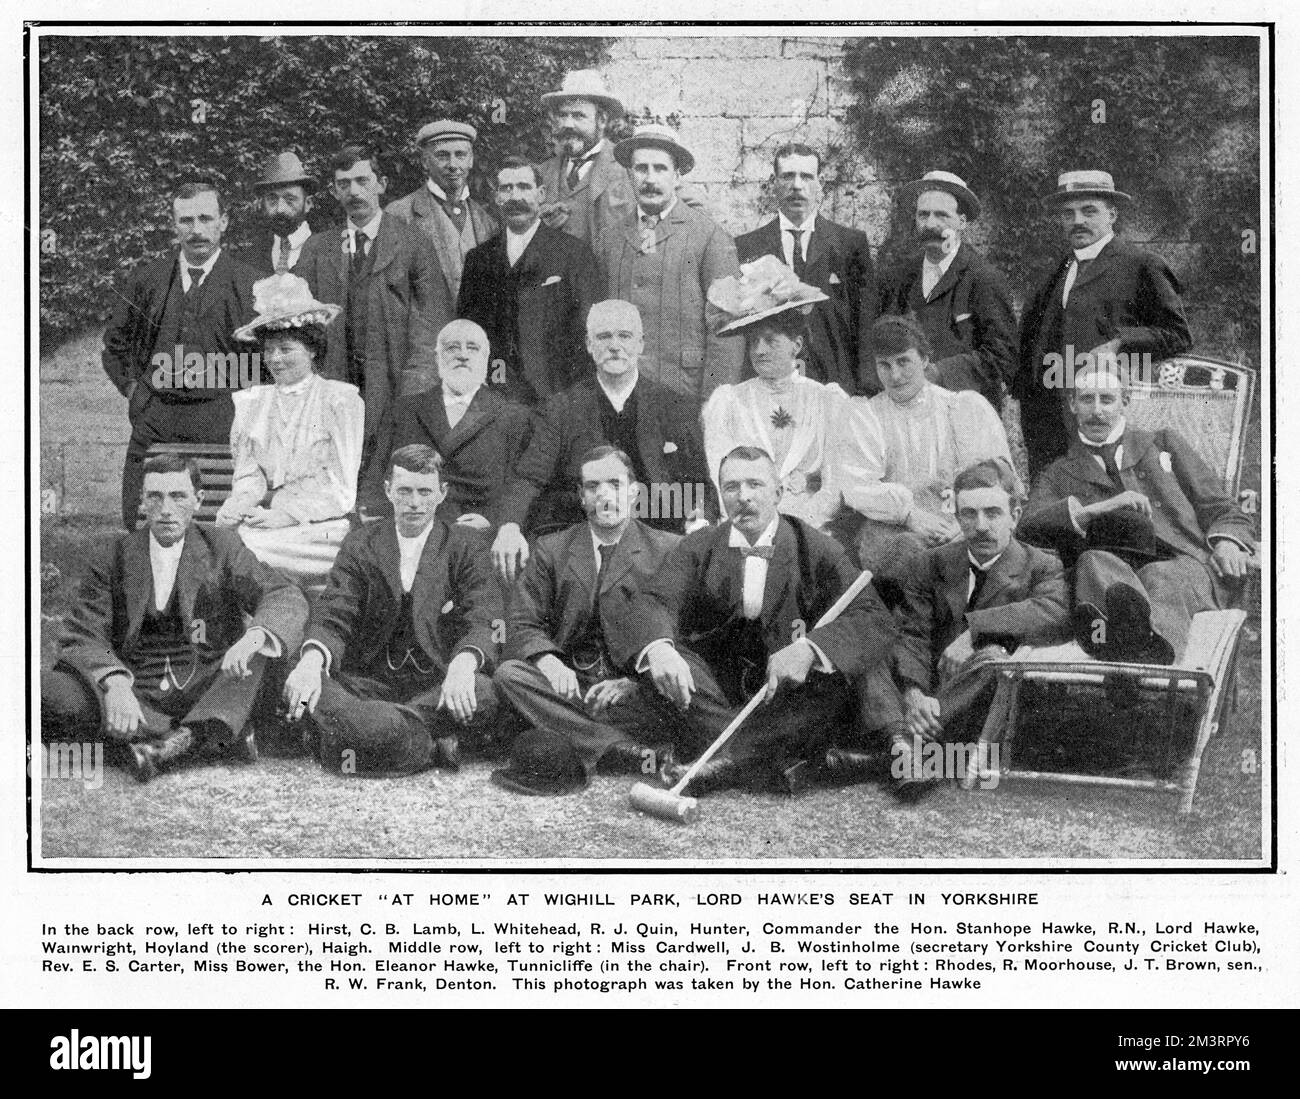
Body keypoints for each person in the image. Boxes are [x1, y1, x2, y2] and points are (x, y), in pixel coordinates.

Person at [626, 446, 896, 797]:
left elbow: (874, 617)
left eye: (755, 485)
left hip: (787, 691)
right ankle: (771, 755)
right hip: (718, 692)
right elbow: (656, 600)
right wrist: (661, 650)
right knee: (667, 656)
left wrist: (810, 649)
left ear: (779, 493)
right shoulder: (699, 545)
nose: (744, 497)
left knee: (842, 667)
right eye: (732, 487)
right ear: (720, 494)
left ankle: (731, 760)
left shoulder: (817, 547)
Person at [41, 453, 307, 782]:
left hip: (210, 684)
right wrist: (115, 682)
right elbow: (84, 632)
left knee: (261, 653)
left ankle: (172, 744)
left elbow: (282, 593)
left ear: (198, 500)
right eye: (155, 496)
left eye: (178, 496)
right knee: (46, 694)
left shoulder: (222, 547)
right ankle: (212, 740)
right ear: (142, 502)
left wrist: (253, 637)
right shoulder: (116, 555)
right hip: (139, 690)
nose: (166, 509)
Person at [834, 458, 1068, 794]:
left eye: (993, 513)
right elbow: (913, 633)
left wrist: (975, 630)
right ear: (957, 517)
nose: (981, 525)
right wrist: (914, 695)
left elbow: (1053, 612)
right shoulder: (930, 563)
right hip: (925, 690)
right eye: (969, 514)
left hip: (977, 701)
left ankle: (900, 750)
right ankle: (904, 746)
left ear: (1015, 516)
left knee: (994, 657)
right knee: (870, 643)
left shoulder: (1042, 566)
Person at [282, 445, 503, 776]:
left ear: (442, 493)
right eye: (404, 491)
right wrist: (312, 663)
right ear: (388, 491)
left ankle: (363, 735)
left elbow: (483, 616)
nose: (414, 502)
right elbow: (334, 611)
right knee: (303, 675)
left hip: (437, 684)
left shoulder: (465, 545)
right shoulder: (361, 543)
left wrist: (462, 665)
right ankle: (426, 742)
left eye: (425, 492)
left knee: (484, 690)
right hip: (368, 683)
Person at [1018, 360, 1254, 664]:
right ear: (1073, 404)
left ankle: (1143, 661)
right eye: (1087, 399)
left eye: (1107, 399)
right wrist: (1096, 509)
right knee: (1092, 563)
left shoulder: (1162, 444)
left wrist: (1228, 542)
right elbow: (1027, 527)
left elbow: (1221, 507)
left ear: (1124, 402)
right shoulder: (1061, 471)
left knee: (1160, 576)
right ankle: (1136, 659)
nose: (1097, 410)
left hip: (1181, 561)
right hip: (1114, 565)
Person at [491, 446, 686, 792]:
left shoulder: (668, 549)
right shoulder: (553, 549)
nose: (605, 495)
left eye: (615, 483)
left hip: (629, 692)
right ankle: (620, 749)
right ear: (582, 497)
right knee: (510, 676)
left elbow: (681, 633)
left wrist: (635, 683)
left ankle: (578, 734)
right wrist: (548, 661)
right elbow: (522, 621)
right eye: (594, 486)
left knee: (670, 693)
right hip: (568, 686)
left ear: (634, 492)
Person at [490, 299, 715, 582]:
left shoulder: (676, 407)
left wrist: (700, 520)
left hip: (656, 539)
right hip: (583, 538)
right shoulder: (561, 408)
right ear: (588, 344)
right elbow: (529, 478)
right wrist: (509, 526)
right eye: (604, 336)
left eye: (625, 336)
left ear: (641, 344)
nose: (614, 346)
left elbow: (699, 484)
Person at [102, 180, 259, 528]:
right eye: (186, 220)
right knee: (142, 517)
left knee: (217, 519)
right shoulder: (148, 281)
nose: (197, 230)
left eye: (206, 218)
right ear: (174, 225)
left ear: (224, 222)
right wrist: (135, 392)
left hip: (223, 416)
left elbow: (266, 358)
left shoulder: (250, 284)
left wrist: (244, 403)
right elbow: (115, 344)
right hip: (157, 414)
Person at [1014, 170, 1192, 477]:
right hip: (1047, 415)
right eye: (1068, 214)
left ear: (1112, 214)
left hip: (1100, 412)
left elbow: (1177, 335)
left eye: (1088, 211)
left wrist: (1119, 342)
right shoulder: (1060, 268)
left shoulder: (1140, 264)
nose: (1077, 220)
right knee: (1053, 504)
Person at [702, 256, 877, 534]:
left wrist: (797, 530)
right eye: (753, 341)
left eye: (770, 340)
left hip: (811, 527)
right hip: (747, 525)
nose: (759, 351)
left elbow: (833, 487)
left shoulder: (827, 401)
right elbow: (723, 480)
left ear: (796, 345)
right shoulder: (730, 402)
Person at [844, 316, 1011, 601]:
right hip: (895, 528)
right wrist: (910, 515)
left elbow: (996, 476)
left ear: (924, 360)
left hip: (962, 519)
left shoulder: (961, 407)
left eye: (903, 362)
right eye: (884, 365)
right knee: (909, 556)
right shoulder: (868, 415)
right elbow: (856, 486)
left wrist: (964, 523)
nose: (894, 376)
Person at [217, 273, 363, 585]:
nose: (275, 359)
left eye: (286, 349)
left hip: (323, 528)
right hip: (269, 524)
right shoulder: (253, 403)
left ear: (312, 350)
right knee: (231, 545)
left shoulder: (340, 400)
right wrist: (240, 504)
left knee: (243, 553)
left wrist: (288, 515)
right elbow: (248, 477)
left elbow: (342, 491)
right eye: (269, 350)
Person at [296, 144, 442, 450]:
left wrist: (414, 390)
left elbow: (431, 323)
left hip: (394, 383)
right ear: (334, 192)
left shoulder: (413, 242)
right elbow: (299, 325)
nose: (354, 192)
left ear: (382, 185)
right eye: (344, 184)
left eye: (363, 181)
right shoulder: (317, 249)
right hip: (334, 383)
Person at [592, 124, 743, 401]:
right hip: (621, 393)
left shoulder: (708, 236)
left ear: (677, 176)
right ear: (629, 174)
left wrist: (715, 404)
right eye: (641, 169)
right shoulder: (609, 239)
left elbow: (727, 331)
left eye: (660, 168)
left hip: (684, 391)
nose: (650, 179)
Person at [360, 319, 532, 529]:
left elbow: (521, 485)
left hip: (476, 536)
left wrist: (493, 520)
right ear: (437, 358)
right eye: (452, 348)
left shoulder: (513, 416)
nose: (462, 355)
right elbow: (375, 480)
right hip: (410, 529)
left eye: (472, 348)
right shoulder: (404, 410)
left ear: (486, 358)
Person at [735, 143, 876, 395]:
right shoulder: (748, 246)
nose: (797, 186)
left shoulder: (849, 244)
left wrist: (865, 387)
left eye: (807, 177)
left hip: (834, 381)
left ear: (819, 184)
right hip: (770, 382)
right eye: (788, 176)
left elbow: (864, 322)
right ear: (774, 183)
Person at [457, 156, 599, 406]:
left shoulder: (573, 254)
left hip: (555, 397)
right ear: (497, 197)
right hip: (496, 397)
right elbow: (469, 331)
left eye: (524, 187)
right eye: (506, 189)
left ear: (541, 194)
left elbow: (586, 334)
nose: (515, 197)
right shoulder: (478, 259)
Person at [876, 170, 1016, 410]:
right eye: (923, 215)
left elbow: (1004, 354)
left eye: (942, 215)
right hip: (907, 409)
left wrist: (938, 372)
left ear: (961, 222)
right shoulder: (900, 277)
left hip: (965, 412)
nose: (930, 224)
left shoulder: (983, 278)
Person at [386, 119, 498, 341]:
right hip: (423, 345)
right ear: (425, 162)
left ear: (471, 160)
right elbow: (392, 298)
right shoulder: (399, 214)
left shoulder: (487, 221)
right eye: (442, 155)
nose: (453, 165)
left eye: (460, 155)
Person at [536, 69, 635, 244]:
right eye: (562, 115)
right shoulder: (542, 172)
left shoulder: (629, 166)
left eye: (578, 116)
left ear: (602, 120)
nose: (567, 124)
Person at [240, 151, 327, 275]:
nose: (280, 209)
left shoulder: (329, 253)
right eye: (272, 199)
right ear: (262, 203)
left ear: (307, 203)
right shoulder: (248, 258)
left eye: (290, 199)